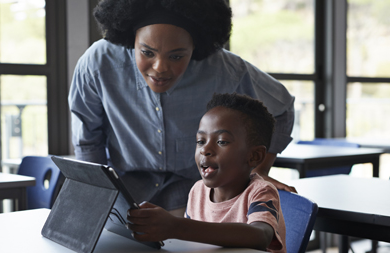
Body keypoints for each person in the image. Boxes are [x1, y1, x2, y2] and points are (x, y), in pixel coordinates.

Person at [69, 0, 297, 217]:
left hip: (198, 195)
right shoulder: (97, 63)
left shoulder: (224, 68)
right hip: (126, 195)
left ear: (195, 47)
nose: (159, 68)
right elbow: (88, 141)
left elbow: (282, 108)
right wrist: (99, 197)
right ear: (131, 39)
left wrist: (259, 170)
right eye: (147, 52)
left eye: (177, 56)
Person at [127, 93, 300, 253]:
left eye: (221, 142)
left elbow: (260, 235)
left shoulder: (260, 192)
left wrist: (174, 226)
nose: (205, 150)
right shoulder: (198, 191)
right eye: (200, 141)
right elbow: (191, 245)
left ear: (254, 157)